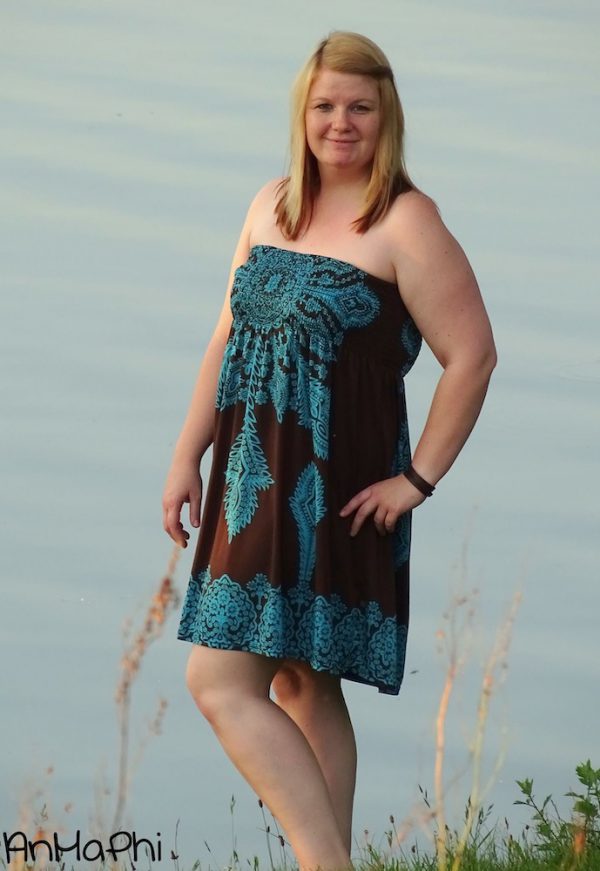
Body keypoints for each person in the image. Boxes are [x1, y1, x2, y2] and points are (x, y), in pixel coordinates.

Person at [162, 29, 497, 871]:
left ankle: (324, 862)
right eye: (325, 106)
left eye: (359, 107)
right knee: (301, 680)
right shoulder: (268, 204)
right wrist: (185, 455)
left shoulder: (406, 220)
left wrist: (416, 478)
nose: (340, 123)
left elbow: (472, 356)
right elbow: (225, 336)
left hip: (335, 486)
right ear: (301, 114)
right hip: (250, 477)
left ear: (387, 117)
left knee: (217, 680)